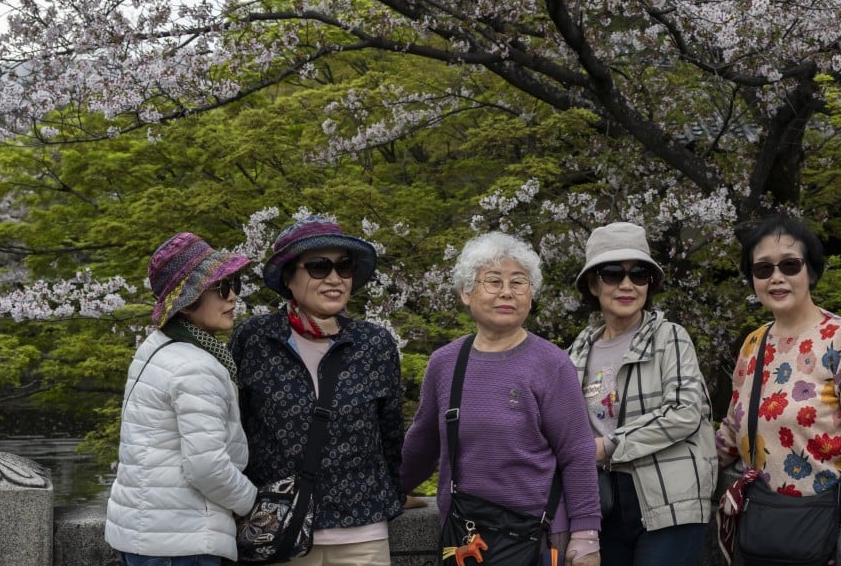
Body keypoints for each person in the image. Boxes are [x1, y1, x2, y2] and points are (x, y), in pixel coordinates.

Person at [400, 231, 602, 566]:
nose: (506, 292)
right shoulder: (446, 363)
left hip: (537, 533)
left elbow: (577, 454)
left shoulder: (551, 365)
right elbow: (423, 441)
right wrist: (393, 490)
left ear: (530, 294)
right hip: (465, 534)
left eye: (518, 283)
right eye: (493, 281)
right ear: (466, 292)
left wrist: (586, 536)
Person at [230, 215, 407, 566]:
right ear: (288, 277)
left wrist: (396, 491)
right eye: (319, 267)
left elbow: (391, 435)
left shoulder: (374, 344)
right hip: (277, 530)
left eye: (344, 267)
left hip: (363, 529)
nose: (335, 279)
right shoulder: (254, 339)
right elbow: (236, 428)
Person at [715, 213, 841, 566]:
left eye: (790, 265)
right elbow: (732, 431)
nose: (777, 277)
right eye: (763, 269)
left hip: (820, 526)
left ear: (811, 271)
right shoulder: (753, 344)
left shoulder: (840, 338)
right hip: (761, 525)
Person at [566, 222, 718, 566]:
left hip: (669, 502)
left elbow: (684, 411)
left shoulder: (669, 337)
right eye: (612, 273)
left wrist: (608, 446)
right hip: (602, 502)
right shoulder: (578, 349)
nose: (626, 285)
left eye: (639, 275)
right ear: (593, 283)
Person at [105, 232, 258, 566]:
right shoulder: (195, 366)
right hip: (180, 543)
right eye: (222, 288)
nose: (233, 298)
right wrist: (252, 504)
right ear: (188, 302)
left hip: (147, 534)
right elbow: (206, 467)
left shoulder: (155, 348)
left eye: (235, 284)